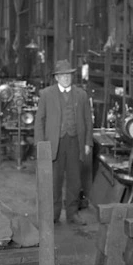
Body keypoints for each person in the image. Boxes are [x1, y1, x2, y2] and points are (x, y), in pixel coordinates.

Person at [34, 60, 93, 226]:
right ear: (56, 78)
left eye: (68, 75)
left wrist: (88, 142)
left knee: (75, 180)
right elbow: (40, 121)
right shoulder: (46, 94)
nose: (66, 78)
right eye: (62, 75)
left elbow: (88, 120)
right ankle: (53, 214)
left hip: (75, 142)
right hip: (54, 143)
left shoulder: (81, 95)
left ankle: (72, 214)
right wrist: (40, 144)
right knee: (55, 180)